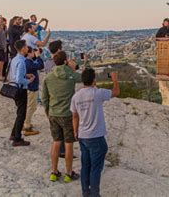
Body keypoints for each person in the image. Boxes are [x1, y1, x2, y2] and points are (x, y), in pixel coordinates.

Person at [71, 68, 119, 197]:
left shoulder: (76, 96)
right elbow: (116, 92)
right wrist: (114, 79)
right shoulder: (98, 93)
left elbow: (75, 116)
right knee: (96, 169)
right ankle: (94, 195)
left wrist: (75, 131)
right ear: (94, 80)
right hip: (96, 136)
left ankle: (85, 193)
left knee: (85, 166)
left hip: (82, 135)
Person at [42, 51, 81, 183]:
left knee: (56, 142)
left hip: (53, 113)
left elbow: (44, 98)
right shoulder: (71, 75)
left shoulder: (48, 77)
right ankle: (69, 173)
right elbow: (84, 78)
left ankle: (54, 172)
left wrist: (48, 112)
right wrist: (73, 66)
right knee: (69, 144)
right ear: (65, 61)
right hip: (67, 114)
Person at [8, 40, 34, 146]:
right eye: (27, 47)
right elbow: (19, 79)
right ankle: (17, 139)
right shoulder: (22, 61)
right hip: (20, 89)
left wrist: (25, 75)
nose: (28, 48)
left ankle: (14, 134)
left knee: (19, 113)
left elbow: (14, 74)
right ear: (23, 48)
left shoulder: (15, 59)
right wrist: (29, 81)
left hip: (14, 88)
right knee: (21, 115)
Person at [22, 47, 44, 136]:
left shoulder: (27, 61)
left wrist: (37, 55)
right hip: (32, 88)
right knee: (31, 107)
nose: (34, 54)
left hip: (31, 87)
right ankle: (27, 126)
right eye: (33, 52)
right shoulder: (29, 63)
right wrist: (38, 56)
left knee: (31, 106)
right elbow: (41, 66)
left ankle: (26, 122)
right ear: (29, 53)